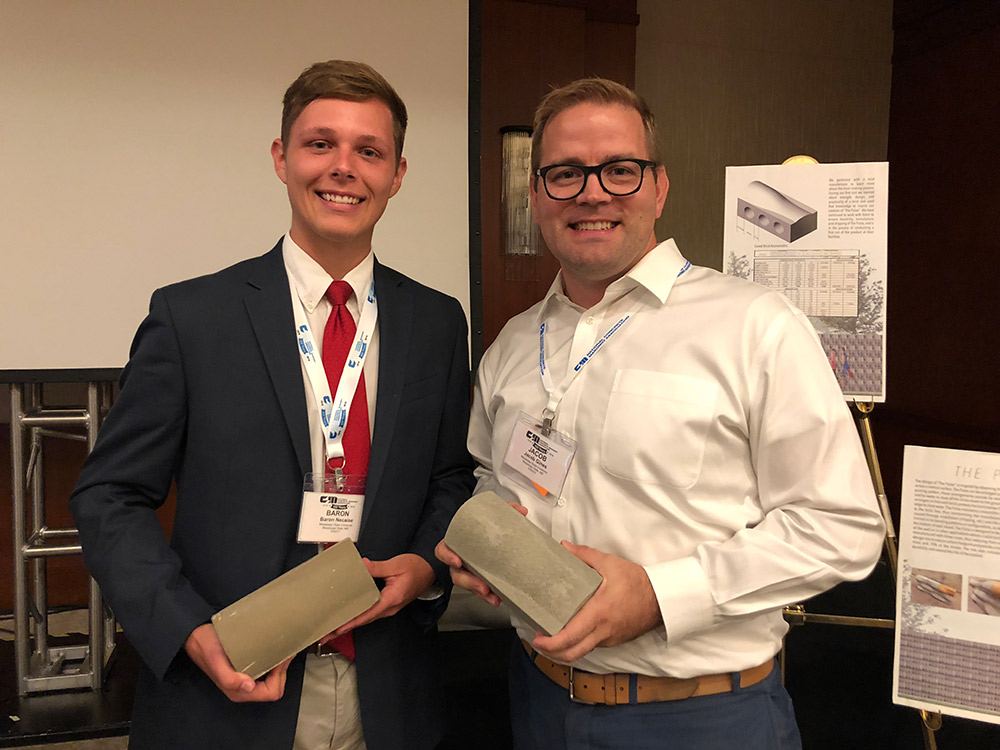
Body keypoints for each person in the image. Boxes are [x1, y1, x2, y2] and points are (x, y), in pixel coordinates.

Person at [436, 77, 884, 750]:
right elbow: (493, 481)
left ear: (659, 188)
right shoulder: (510, 345)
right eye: (564, 174)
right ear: (536, 198)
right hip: (535, 700)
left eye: (619, 170)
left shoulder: (754, 325)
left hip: (703, 718)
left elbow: (842, 527)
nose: (592, 192)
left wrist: (660, 594)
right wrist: (483, 541)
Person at [71, 60, 475, 750]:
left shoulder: (437, 322)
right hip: (228, 697)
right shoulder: (192, 317)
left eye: (368, 151)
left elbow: (449, 478)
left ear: (397, 174)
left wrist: (426, 564)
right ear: (281, 158)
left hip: (391, 696)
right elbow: (111, 495)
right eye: (321, 144)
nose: (343, 167)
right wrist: (190, 633)